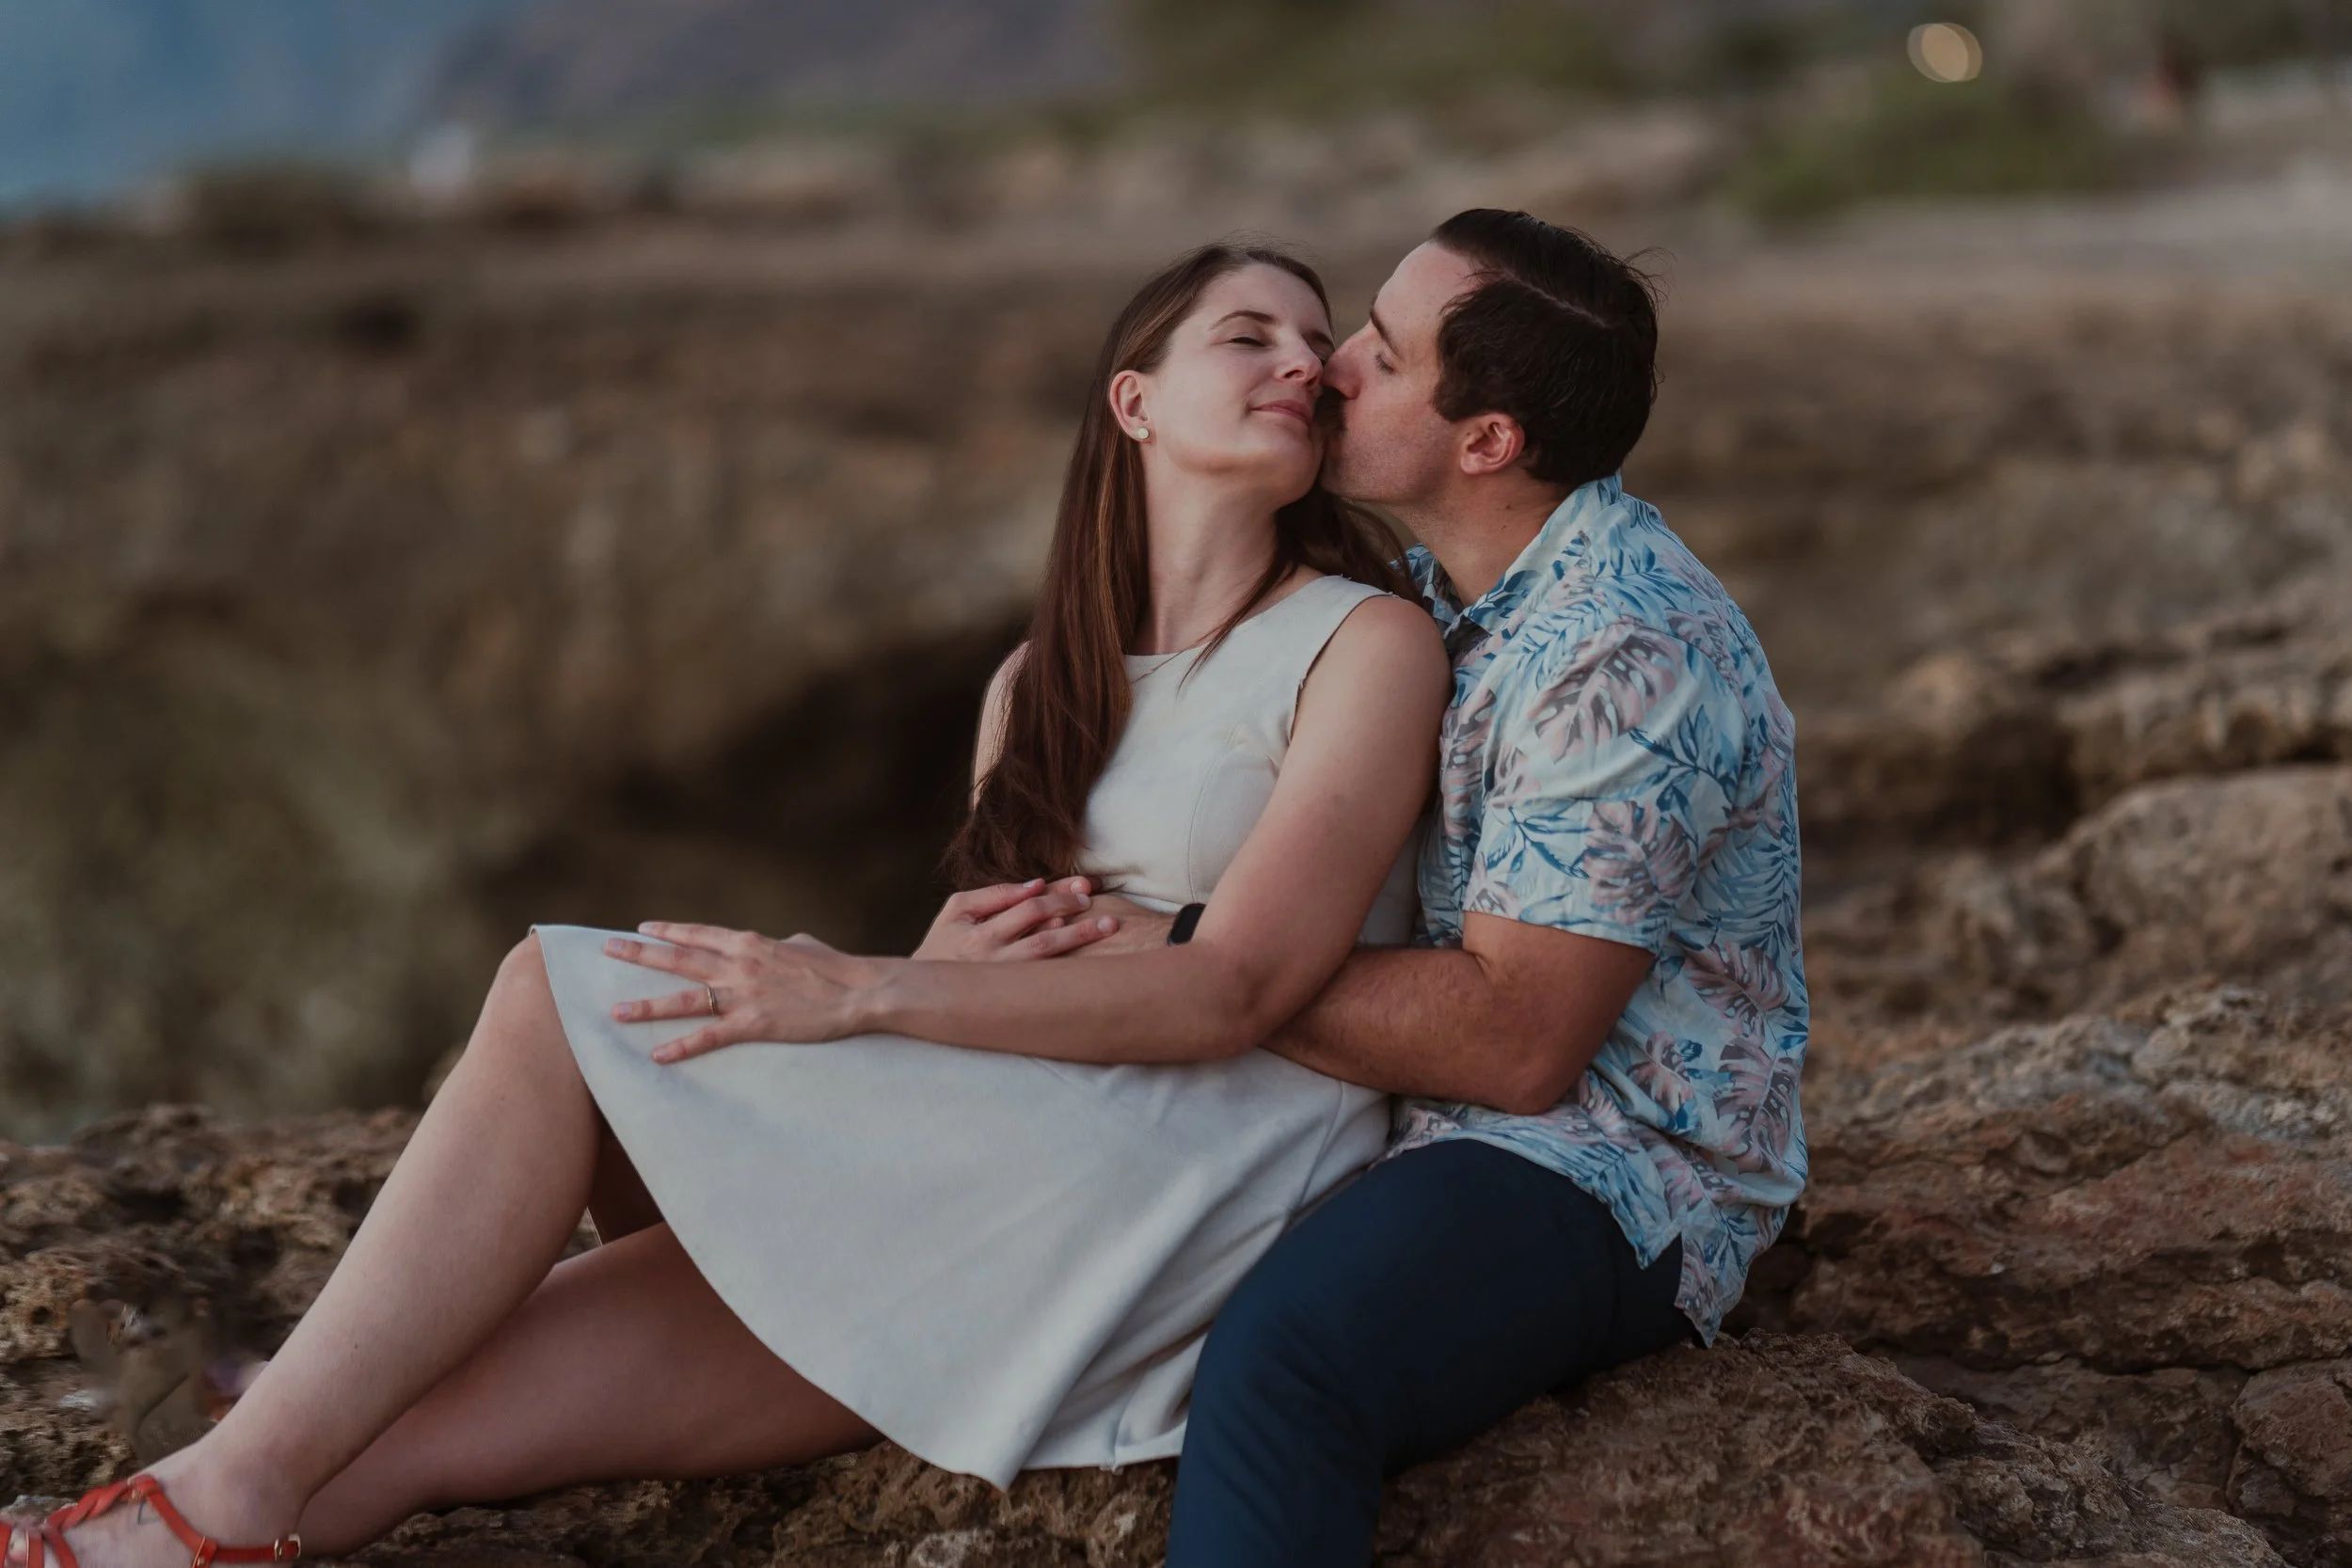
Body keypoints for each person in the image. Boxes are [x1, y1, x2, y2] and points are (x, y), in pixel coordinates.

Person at [0, 242, 1453, 1568]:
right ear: (1133, 403)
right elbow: (1000, 960)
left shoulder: (1361, 641)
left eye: (1316, 345)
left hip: (1187, 1163)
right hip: (1017, 1117)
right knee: (406, 1429)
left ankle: (215, 1483)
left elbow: (1242, 989)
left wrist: (873, 990)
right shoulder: (1038, 682)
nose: (1301, 364)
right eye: (1247, 333)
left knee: (555, 992)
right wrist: (920, 973)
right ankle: (183, 1516)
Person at [993, 210, 1811, 1565]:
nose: (1332, 367)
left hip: (1616, 1166)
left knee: (1282, 1360)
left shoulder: (1625, 650)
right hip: (1388, 1112)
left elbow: (1519, 1040)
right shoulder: (1435, 598)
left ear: (1486, 442)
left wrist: (1185, 952)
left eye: (1379, 348)